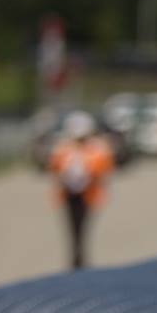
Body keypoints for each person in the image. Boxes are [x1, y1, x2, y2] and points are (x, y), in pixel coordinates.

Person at [46, 111, 114, 269]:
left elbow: (104, 168)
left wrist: (89, 177)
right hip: (68, 194)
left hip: (89, 194)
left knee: (83, 227)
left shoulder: (98, 147)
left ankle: (81, 258)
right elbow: (55, 167)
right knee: (72, 227)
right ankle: (76, 258)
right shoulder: (63, 147)